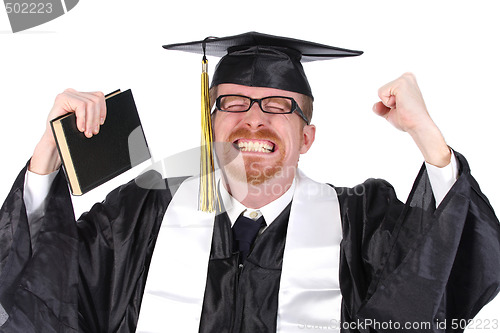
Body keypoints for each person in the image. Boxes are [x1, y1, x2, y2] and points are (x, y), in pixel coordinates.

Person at [0, 32, 498, 333]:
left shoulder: (362, 222)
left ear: (307, 137)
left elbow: (439, 273)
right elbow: (44, 284)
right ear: (210, 125)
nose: (253, 122)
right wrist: (48, 154)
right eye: (233, 103)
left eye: (279, 106)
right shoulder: (140, 216)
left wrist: (426, 134)